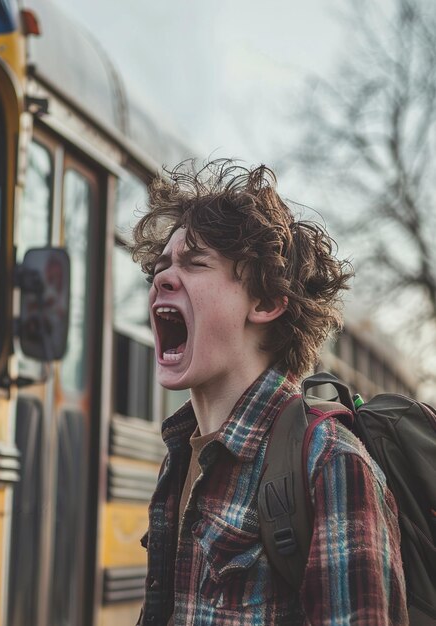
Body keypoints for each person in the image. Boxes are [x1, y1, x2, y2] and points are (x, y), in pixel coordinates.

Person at [131, 160, 408, 625]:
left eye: (195, 263)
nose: (162, 278)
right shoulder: (181, 454)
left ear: (265, 303)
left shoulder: (331, 465)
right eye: (159, 267)